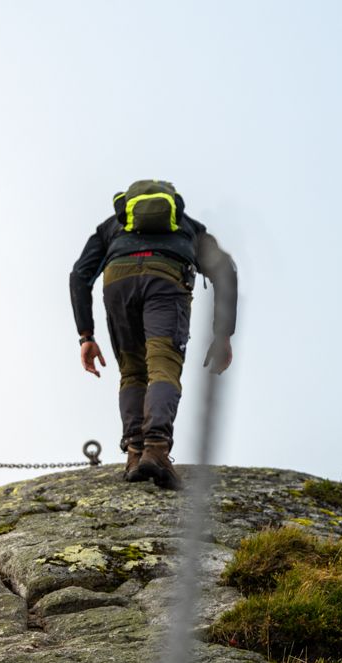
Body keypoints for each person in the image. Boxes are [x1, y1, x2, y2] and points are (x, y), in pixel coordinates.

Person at [69, 179, 239, 490]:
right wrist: (223, 334)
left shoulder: (112, 226)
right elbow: (226, 270)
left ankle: (135, 454)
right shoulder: (188, 227)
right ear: (172, 204)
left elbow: (80, 274)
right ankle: (157, 451)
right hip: (165, 281)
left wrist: (86, 335)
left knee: (133, 372)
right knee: (163, 367)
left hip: (117, 281)